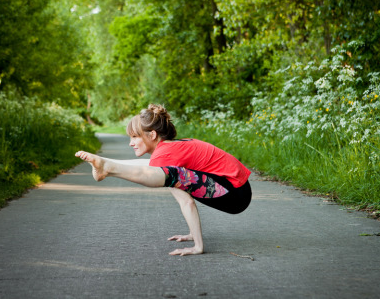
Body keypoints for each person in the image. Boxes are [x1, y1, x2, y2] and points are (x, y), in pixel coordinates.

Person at [75, 104, 252, 256]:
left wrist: (197, 246)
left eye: (135, 136)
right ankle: (107, 167)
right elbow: (157, 171)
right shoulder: (168, 150)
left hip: (235, 193)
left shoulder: (166, 154)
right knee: (163, 172)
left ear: (152, 135)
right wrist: (192, 233)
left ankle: (107, 168)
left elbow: (186, 202)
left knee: (169, 175)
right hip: (235, 189)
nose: (130, 143)